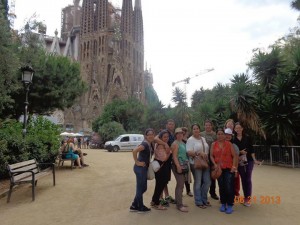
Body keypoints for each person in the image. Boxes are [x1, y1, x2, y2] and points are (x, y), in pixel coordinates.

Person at [232, 122, 262, 207]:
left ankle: (248, 198)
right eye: (236, 128)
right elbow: (234, 152)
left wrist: (254, 159)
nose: (238, 129)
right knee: (243, 179)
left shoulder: (248, 138)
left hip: (249, 160)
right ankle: (245, 197)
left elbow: (252, 149)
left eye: (239, 128)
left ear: (242, 128)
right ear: (234, 130)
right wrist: (240, 152)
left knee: (248, 178)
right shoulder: (233, 140)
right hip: (240, 161)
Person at [210, 128, 237, 214]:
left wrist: (234, 167)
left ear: (224, 135)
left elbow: (235, 156)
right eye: (218, 134)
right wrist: (214, 164)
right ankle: (223, 203)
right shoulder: (213, 144)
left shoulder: (229, 144)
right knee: (221, 186)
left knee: (229, 186)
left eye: (222, 134)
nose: (220, 135)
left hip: (229, 168)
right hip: (219, 169)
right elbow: (211, 156)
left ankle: (230, 204)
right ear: (216, 135)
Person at [130, 128, 155, 213]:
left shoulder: (150, 143)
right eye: (149, 134)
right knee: (141, 188)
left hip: (143, 169)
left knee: (143, 188)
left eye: (152, 134)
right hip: (140, 168)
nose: (151, 136)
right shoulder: (144, 144)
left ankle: (134, 205)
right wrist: (137, 162)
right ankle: (140, 207)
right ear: (146, 136)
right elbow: (134, 151)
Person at [186, 123, 211, 209]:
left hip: (205, 162)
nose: (196, 130)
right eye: (194, 129)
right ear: (192, 130)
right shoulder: (190, 140)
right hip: (196, 163)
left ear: (199, 129)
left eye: (197, 128)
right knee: (198, 182)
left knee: (207, 182)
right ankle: (198, 201)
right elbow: (188, 152)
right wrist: (198, 153)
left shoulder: (203, 139)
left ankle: (204, 198)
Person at [154, 119, 176, 206]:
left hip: (168, 159)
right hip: (162, 159)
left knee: (165, 179)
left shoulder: (172, 134)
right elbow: (155, 139)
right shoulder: (164, 132)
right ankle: (160, 198)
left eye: (172, 124)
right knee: (161, 179)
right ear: (167, 125)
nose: (171, 126)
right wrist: (165, 144)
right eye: (169, 124)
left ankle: (166, 196)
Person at [150, 130, 171, 210]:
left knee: (158, 185)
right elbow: (164, 158)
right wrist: (169, 152)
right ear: (161, 137)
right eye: (164, 137)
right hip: (161, 167)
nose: (166, 138)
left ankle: (153, 201)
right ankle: (156, 203)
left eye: (167, 137)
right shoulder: (161, 145)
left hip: (158, 167)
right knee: (160, 186)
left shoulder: (157, 144)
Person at [171, 128, 189, 212]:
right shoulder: (175, 143)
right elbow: (174, 156)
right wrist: (178, 166)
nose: (180, 135)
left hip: (183, 165)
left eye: (181, 133)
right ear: (175, 135)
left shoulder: (182, 142)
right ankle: (179, 205)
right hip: (177, 165)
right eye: (178, 133)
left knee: (180, 184)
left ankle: (179, 201)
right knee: (180, 184)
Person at [200, 119, 218, 200]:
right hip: (203, 157)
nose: (207, 126)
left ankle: (213, 193)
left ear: (211, 126)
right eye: (206, 125)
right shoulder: (201, 134)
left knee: (212, 176)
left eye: (209, 125)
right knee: (202, 176)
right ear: (204, 126)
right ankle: (202, 193)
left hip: (213, 157)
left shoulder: (215, 135)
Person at [224, 119, 240, 197]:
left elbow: (236, 157)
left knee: (233, 181)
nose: (227, 136)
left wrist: (235, 169)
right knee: (224, 182)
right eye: (226, 134)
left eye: (231, 124)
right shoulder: (220, 144)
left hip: (232, 166)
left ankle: (234, 194)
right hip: (224, 167)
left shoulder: (234, 145)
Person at [182, 127, 193, 197]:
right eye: (182, 132)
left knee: (187, 176)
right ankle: (181, 190)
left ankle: (188, 190)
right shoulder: (179, 141)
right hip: (181, 160)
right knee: (181, 177)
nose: (183, 133)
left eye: (184, 132)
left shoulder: (189, 140)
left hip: (188, 160)